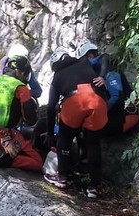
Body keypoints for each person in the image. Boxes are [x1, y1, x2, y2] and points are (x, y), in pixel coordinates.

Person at [44, 42, 108, 198]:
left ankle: (62, 176)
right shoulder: (86, 62)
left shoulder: (58, 76)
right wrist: (102, 75)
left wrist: (50, 133)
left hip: (75, 101)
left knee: (64, 138)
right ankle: (93, 187)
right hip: (98, 101)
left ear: (55, 65)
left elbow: (51, 107)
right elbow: (105, 56)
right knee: (93, 144)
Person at [0, 55, 44, 171]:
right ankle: (7, 160)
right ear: (22, 73)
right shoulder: (21, 88)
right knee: (37, 162)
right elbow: (30, 119)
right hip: (4, 137)